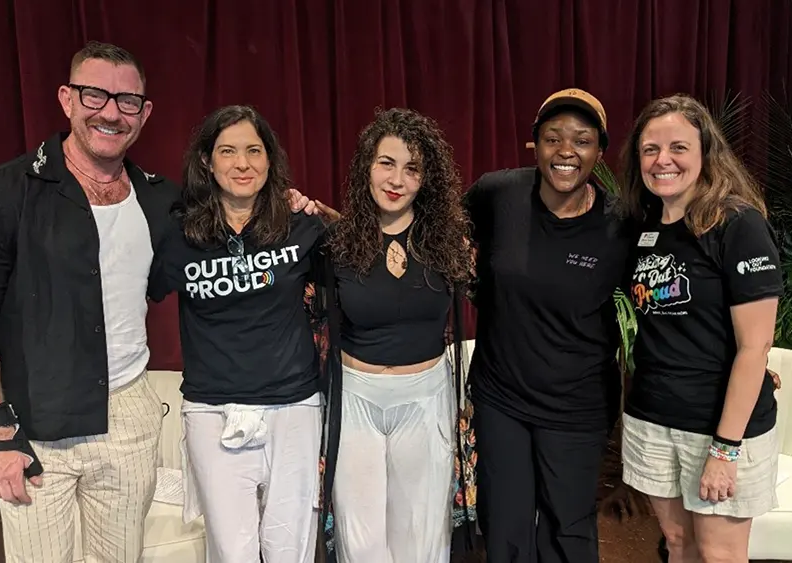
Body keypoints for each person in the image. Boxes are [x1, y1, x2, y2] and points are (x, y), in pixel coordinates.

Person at [0, 41, 175, 562]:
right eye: (95, 95)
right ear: (66, 98)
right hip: (34, 424)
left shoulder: (161, 199)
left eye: (127, 101)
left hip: (130, 416)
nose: (111, 113)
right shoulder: (3, 192)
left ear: (145, 112)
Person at [147, 104, 326, 563]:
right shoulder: (178, 234)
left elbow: (368, 256)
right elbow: (130, 293)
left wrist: (321, 208)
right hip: (212, 409)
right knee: (233, 552)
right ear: (207, 161)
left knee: (291, 549)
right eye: (227, 151)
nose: (242, 163)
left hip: (294, 407)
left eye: (253, 150)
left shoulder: (300, 225)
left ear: (270, 160)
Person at [461, 89, 632, 563]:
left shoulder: (621, 223)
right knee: (505, 525)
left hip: (577, 405)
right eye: (553, 138)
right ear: (534, 146)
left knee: (568, 529)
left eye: (581, 140)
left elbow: (671, 293)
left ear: (599, 152)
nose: (566, 151)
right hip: (502, 398)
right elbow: (437, 234)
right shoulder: (498, 193)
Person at [617, 93, 783, 563]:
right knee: (677, 544)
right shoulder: (643, 225)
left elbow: (756, 346)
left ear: (705, 153)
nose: (662, 160)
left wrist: (725, 450)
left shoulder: (738, 224)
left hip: (718, 427)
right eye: (650, 149)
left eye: (678, 147)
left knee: (719, 554)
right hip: (653, 416)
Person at [311, 107, 476, 563]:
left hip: (425, 397)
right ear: (367, 166)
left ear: (427, 179)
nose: (397, 179)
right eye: (387, 163)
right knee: (360, 541)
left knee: (420, 538)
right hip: (357, 398)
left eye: (412, 168)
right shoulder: (335, 242)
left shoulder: (449, 243)